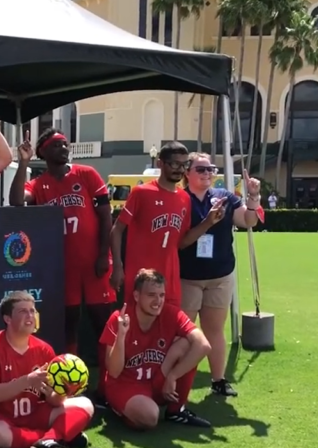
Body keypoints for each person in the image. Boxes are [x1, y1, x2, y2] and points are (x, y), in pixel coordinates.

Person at [9, 129, 114, 357]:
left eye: (66, 144)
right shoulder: (38, 185)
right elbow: (16, 200)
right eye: (57, 145)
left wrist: (103, 254)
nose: (64, 149)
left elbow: (106, 216)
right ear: (43, 152)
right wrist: (23, 163)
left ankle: (110, 379)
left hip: (93, 262)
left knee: (102, 322)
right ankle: (69, 376)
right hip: (63, 267)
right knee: (68, 326)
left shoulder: (86, 173)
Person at [0, 291, 94, 448]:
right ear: (7, 319)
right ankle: (56, 437)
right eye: (23, 311)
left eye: (32, 310)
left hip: (33, 414)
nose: (30, 315)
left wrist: (63, 391)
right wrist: (28, 380)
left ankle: (49, 439)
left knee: (85, 404)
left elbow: (53, 400)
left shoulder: (44, 349)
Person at [178, 156, 262, 398]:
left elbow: (248, 221)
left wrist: (253, 197)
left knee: (215, 329)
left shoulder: (225, 197)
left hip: (220, 275)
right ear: (188, 173)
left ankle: (218, 380)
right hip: (188, 276)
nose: (207, 173)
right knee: (184, 332)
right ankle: (177, 380)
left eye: (211, 169)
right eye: (201, 169)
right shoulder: (180, 199)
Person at [100, 269, 212, 429]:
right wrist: (121, 336)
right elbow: (114, 371)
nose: (157, 301)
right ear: (137, 296)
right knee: (150, 417)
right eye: (151, 295)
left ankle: (176, 410)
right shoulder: (119, 318)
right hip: (126, 384)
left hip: (158, 379)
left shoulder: (171, 312)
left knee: (187, 344)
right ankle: (121, 409)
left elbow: (204, 345)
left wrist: (173, 376)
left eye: (161, 295)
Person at [110, 141, 192, 308]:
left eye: (184, 165)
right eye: (175, 164)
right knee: (136, 327)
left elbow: (181, 241)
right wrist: (118, 266)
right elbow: (117, 230)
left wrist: (209, 222)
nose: (180, 169)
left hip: (170, 278)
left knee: (168, 329)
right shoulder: (142, 192)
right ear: (160, 163)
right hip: (140, 275)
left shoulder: (185, 198)